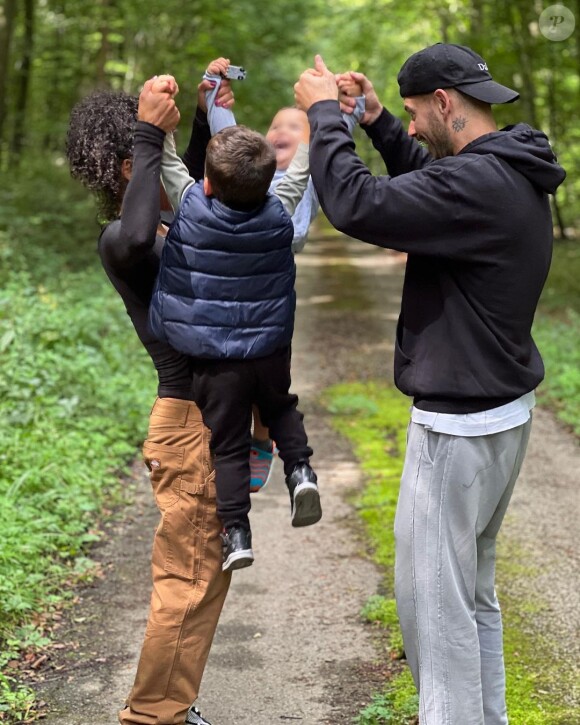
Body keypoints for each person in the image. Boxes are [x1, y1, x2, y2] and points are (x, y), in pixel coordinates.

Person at [294, 44, 566, 725]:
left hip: (457, 428)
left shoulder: (477, 184)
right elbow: (431, 187)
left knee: (436, 617)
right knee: (471, 597)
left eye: (416, 114)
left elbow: (357, 204)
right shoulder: (509, 169)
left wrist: (326, 116)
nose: (413, 129)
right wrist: (381, 121)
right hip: (502, 416)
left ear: (445, 102)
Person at [66, 70, 235, 725]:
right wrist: (147, 129)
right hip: (189, 427)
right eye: (145, 152)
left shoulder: (169, 226)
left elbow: (181, 184)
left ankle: (173, 701)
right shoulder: (123, 241)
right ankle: (153, 713)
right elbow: (139, 232)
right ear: (122, 163)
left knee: (205, 574)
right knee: (187, 576)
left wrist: (193, 121)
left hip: (213, 422)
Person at [148, 75, 322, 573]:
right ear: (269, 180)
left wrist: (160, 125)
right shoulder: (280, 210)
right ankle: (302, 472)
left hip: (213, 360)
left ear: (205, 182)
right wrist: (317, 120)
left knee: (228, 447)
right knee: (282, 408)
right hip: (267, 348)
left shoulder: (190, 206)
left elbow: (167, 165)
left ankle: (238, 534)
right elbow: (302, 171)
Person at [196, 58, 365, 491]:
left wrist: (352, 103)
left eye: (296, 125)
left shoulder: (306, 173)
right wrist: (215, 89)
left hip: (274, 269)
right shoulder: (254, 173)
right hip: (240, 273)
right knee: (241, 365)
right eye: (275, 126)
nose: (282, 132)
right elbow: (226, 140)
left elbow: (338, 132)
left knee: (271, 373)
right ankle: (243, 441)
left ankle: (263, 438)